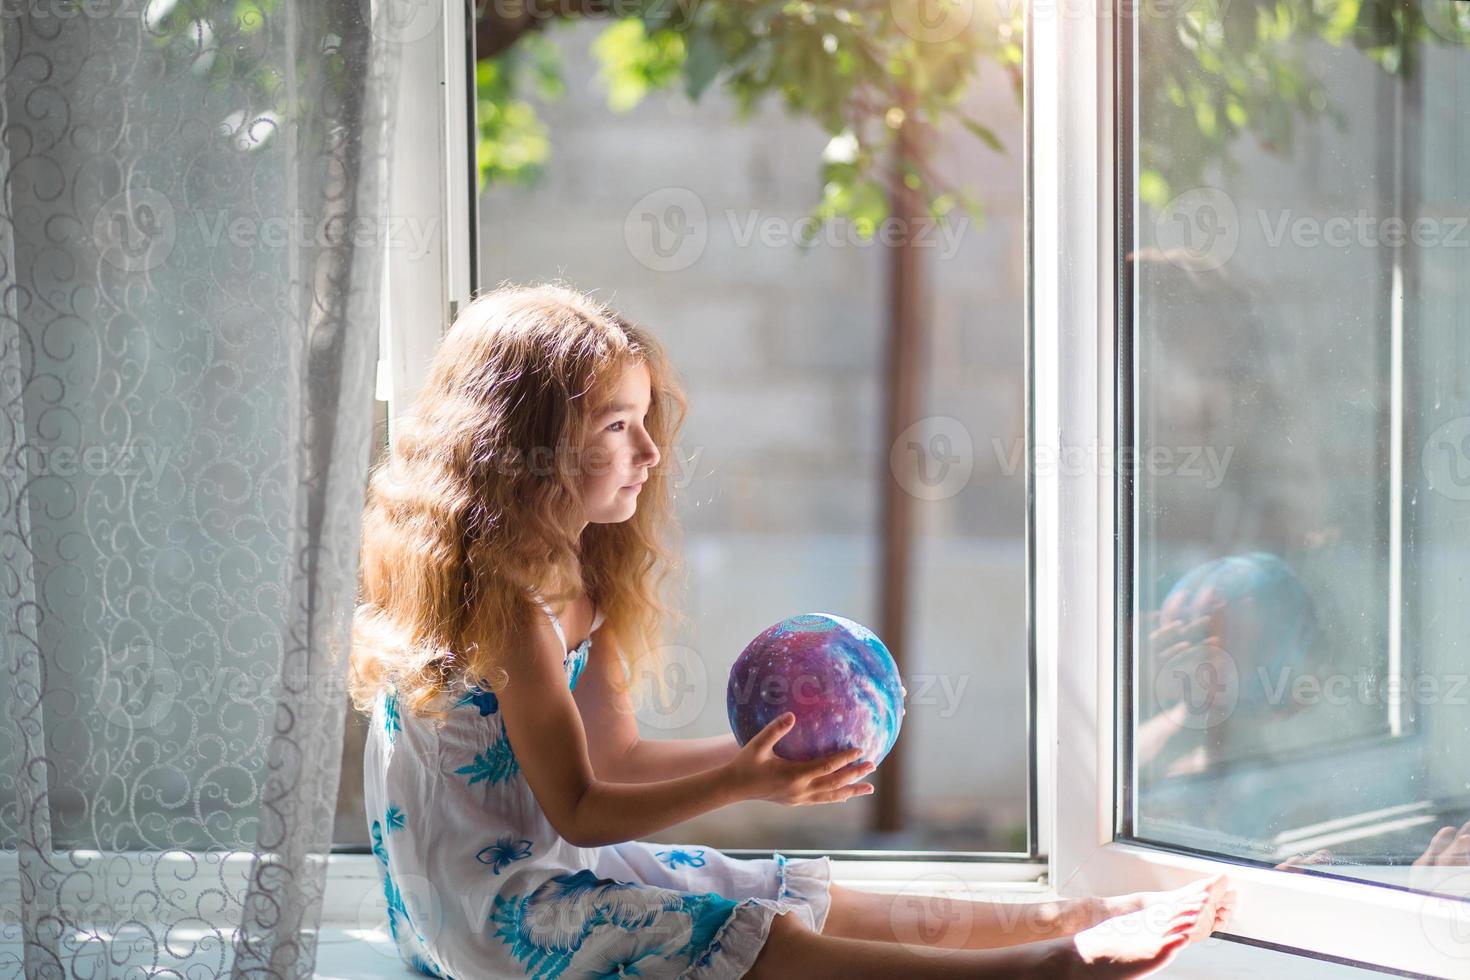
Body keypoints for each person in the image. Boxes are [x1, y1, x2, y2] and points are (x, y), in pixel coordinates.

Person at [346, 281, 1235, 979]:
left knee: (758, 880)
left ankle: (1067, 919)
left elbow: (609, 764)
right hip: (484, 917)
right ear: (522, 448)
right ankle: (1041, 970)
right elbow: (579, 812)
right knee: (743, 931)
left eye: (646, 421)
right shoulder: (504, 607)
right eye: (618, 427)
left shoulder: (582, 575)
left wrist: (765, 760)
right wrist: (741, 780)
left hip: (532, 877)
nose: (651, 454)